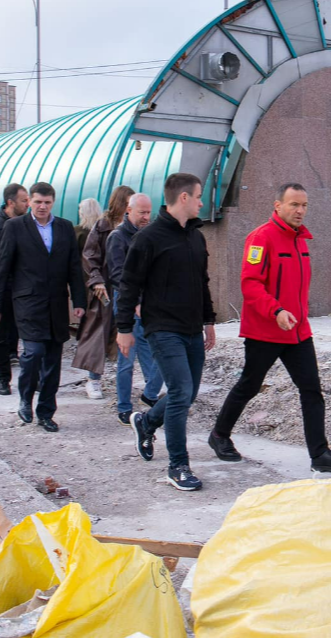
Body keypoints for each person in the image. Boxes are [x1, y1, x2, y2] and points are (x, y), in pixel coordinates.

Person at [209, 184, 331, 473]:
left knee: (311, 389)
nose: (300, 211)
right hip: (265, 330)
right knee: (249, 386)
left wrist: (294, 315)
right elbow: (249, 285)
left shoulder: (301, 241)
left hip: (298, 331)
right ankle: (219, 435)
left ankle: (320, 455)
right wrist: (275, 310)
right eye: (294, 205)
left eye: (304, 205)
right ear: (278, 206)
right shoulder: (260, 238)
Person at [117, 173, 216, 492]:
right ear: (183, 198)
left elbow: (202, 282)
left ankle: (145, 423)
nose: (202, 202)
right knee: (180, 391)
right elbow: (128, 284)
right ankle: (178, 465)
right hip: (162, 328)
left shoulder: (196, 237)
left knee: (184, 394)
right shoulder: (149, 238)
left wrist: (208, 321)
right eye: (199, 196)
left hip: (191, 329)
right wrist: (123, 329)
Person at [0, 182, 85, 432]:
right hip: (27, 302)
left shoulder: (63, 228)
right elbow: (3, 268)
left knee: (53, 358)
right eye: (38, 202)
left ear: (53, 202)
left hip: (56, 303)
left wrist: (79, 301)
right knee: (33, 354)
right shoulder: (14, 227)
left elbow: (74, 267)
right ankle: (25, 398)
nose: (42, 207)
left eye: (47, 202)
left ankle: (45, 412)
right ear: (29, 201)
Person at [107, 192, 163, 425]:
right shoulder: (117, 237)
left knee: (152, 353)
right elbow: (118, 274)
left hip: (148, 302)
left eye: (149, 212)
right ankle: (124, 406)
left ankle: (150, 396)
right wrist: (136, 302)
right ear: (128, 211)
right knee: (126, 358)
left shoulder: (149, 235)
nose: (146, 217)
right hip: (127, 303)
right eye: (142, 212)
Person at [73, 190, 129, 399]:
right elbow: (90, 256)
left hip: (127, 289)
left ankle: (133, 382)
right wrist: (96, 280)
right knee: (99, 334)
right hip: (105, 289)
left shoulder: (135, 227)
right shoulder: (102, 226)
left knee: (127, 334)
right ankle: (93, 379)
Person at [0, 183, 30, 395]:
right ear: (11, 203)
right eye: (24, 201)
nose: (28, 204)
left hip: (24, 287)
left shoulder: (29, 224)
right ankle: (3, 379)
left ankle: (31, 379)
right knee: (1, 334)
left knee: (27, 334)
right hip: (1, 286)